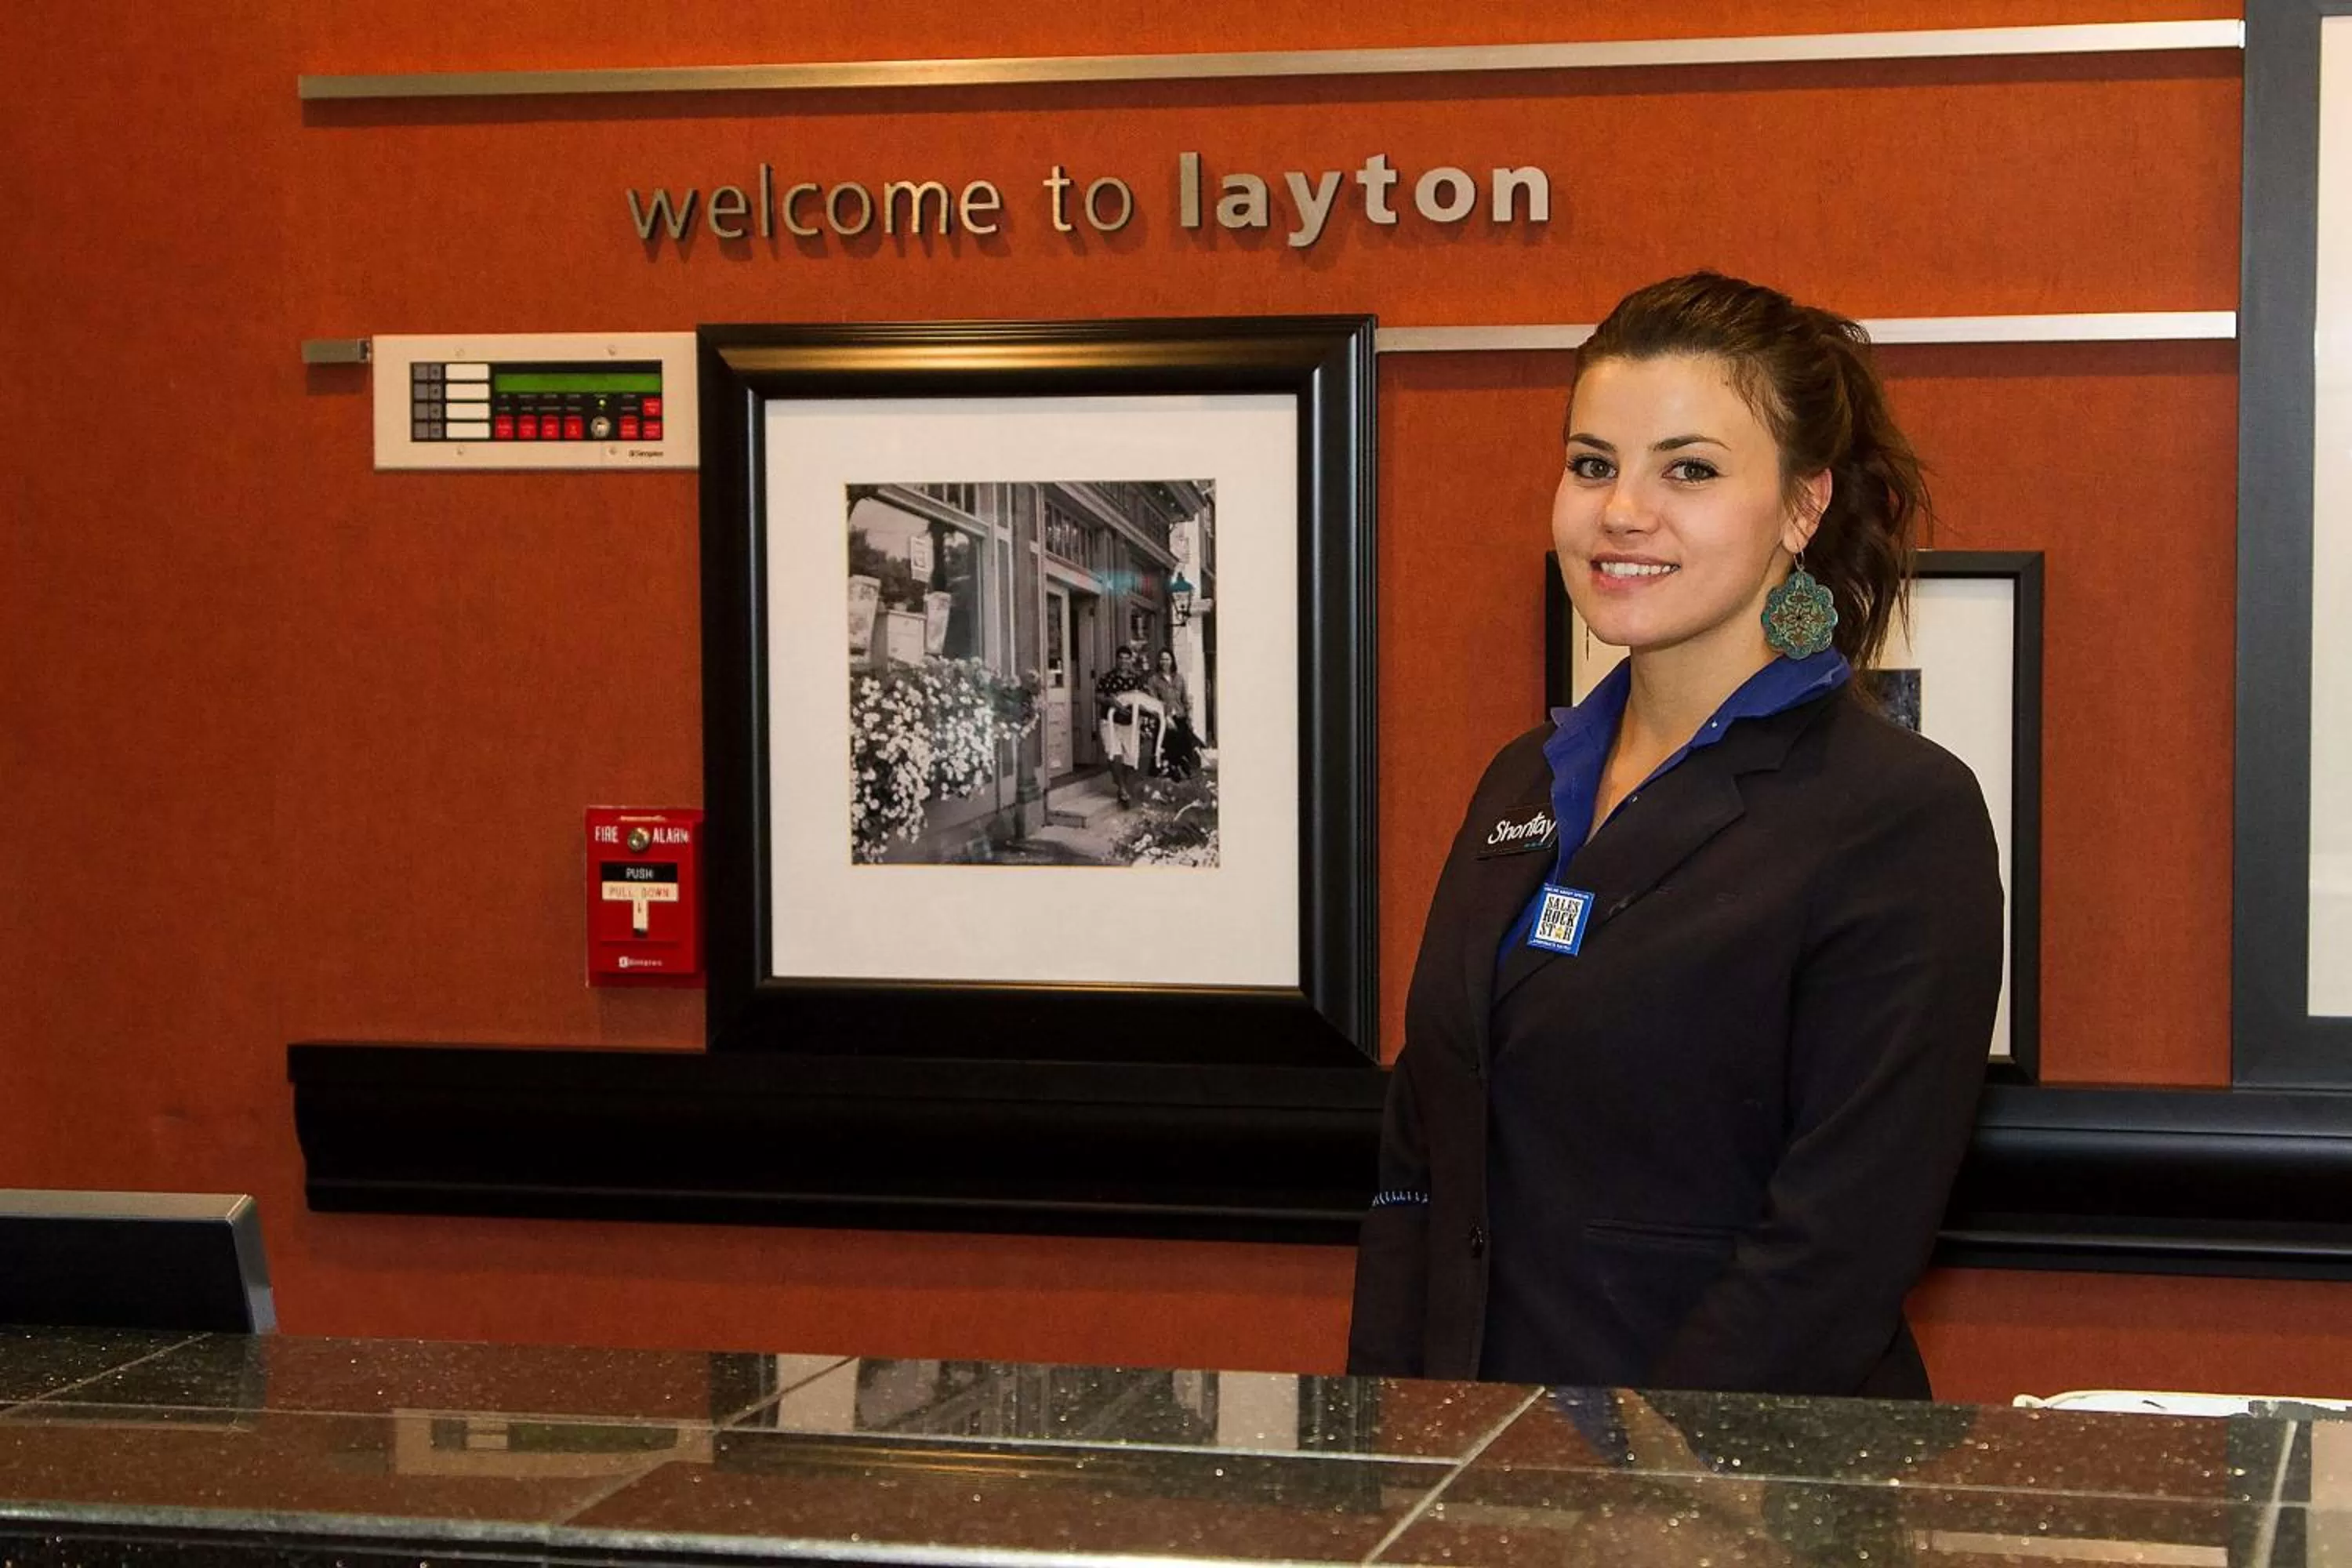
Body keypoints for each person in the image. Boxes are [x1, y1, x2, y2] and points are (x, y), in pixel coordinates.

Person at [1346, 272, 2004, 1399]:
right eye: (1592, 464)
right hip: (1474, 1453)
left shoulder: (1899, 814)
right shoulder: (1525, 779)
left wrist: (1638, 1473)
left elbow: (1837, 1250)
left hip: (1739, 1471)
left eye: (1688, 469)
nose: (1621, 511)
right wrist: (1385, 1436)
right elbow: (1422, 1160)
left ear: (1801, 507)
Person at [1093, 644, 1155, 808]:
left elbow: (1145, 699)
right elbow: (1098, 696)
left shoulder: (1137, 680)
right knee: (1114, 754)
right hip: (1110, 721)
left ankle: (1125, 787)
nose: (1124, 661)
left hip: (1130, 723)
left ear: (1131, 661)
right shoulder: (1107, 678)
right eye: (1121, 658)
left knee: (1131, 758)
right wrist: (1110, 701)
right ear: (1116, 660)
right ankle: (1122, 789)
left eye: (1127, 659)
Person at [1148, 648, 1202, 779]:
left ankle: (1184, 777)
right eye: (1162, 659)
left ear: (1172, 660)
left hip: (1180, 717)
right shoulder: (1154, 680)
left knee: (1183, 750)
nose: (1164, 662)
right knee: (1165, 752)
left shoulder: (1179, 678)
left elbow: (1185, 700)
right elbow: (1154, 702)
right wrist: (1166, 717)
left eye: (1167, 659)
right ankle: (1167, 777)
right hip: (1164, 720)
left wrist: (1189, 718)